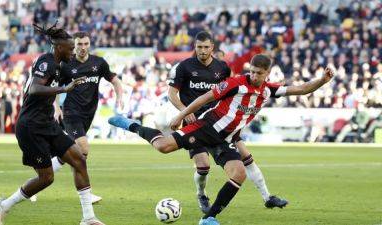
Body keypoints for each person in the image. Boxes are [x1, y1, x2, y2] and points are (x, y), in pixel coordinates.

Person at [108, 54, 334, 225]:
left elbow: (303, 89)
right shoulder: (235, 83)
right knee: (163, 146)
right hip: (206, 127)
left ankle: (208, 218)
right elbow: (205, 98)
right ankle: (130, 124)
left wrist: (322, 81)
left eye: (259, 73)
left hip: (224, 138)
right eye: (253, 71)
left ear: (267, 74)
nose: (254, 76)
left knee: (239, 173)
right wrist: (181, 115)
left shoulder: (268, 91)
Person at [0, 22, 105, 225]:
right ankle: (5, 205)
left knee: (79, 159)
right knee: (46, 178)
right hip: (31, 127)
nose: (73, 52)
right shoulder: (47, 62)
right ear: (59, 47)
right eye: (70, 48)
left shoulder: (58, 65)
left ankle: (88, 218)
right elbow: (35, 89)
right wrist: (64, 90)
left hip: (47, 123)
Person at [168, 31, 287, 213]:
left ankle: (267, 197)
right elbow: (171, 95)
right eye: (199, 47)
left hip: (223, 122)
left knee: (247, 158)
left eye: (206, 47)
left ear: (212, 48)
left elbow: (236, 85)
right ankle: (201, 194)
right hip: (197, 122)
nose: (203, 50)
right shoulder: (183, 67)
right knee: (203, 166)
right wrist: (184, 112)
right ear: (195, 47)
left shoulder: (222, 68)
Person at [48, 31, 123, 204]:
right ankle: (86, 194)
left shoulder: (99, 63)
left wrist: (119, 97)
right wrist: (57, 108)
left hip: (88, 114)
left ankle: (47, 171)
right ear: (74, 45)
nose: (83, 48)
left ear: (90, 44)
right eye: (79, 44)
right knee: (83, 148)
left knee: (74, 153)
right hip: (71, 112)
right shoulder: (67, 65)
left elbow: (115, 81)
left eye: (86, 44)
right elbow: (56, 87)